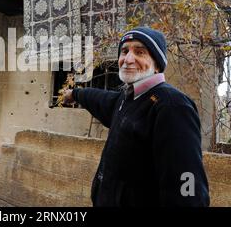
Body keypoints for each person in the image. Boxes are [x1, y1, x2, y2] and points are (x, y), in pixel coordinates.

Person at [63, 27, 210, 207]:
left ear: (157, 64)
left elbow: (188, 188)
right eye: (124, 51)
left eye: (140, 52)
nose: (128, 59)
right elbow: (98, 99)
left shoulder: (172, 106)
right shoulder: (126, 99)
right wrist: (74, 93)